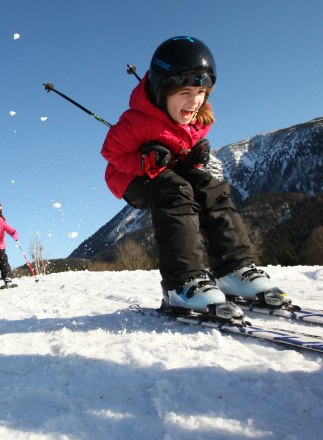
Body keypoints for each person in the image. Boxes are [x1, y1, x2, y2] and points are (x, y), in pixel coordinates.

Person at [100, 36, 291, 321]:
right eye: (185, 92)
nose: (195, 101)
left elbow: (181, 153)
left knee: (209, 187)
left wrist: (190, 158)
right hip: (129, 177)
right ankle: (182, 283)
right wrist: (143, 160)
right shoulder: (136, 121)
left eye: (202, 91)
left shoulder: (198, 118)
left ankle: (233, 270)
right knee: (176, 190)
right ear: (162, 90)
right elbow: (111, 154)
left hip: (167, 170)